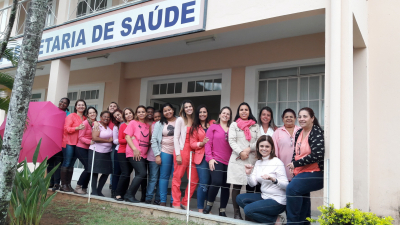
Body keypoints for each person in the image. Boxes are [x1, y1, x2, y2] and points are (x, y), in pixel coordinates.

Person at [236, 135, 288, 223]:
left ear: (271, 148)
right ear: (258, 148)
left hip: (277, 201)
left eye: (267, 146)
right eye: (261, 146)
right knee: (239, 198)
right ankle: (270, 217)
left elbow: (286, 185)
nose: (264, 149)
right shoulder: (258, 162)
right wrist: (248, 174)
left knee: (248, 210)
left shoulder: (277, 162)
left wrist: (273, 179)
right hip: (264, 196)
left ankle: (276, 221)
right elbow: (253, 184)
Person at [286, 107, 324, 224]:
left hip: (316, 172)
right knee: (302, 196)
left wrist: (295, 164)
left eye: (305, 116)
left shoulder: (316, 132)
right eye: (300, 116)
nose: (301, 119)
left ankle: (292, 222)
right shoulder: (299, 132)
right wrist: (294, 166)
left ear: (312, 118)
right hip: (301, 172)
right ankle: (304, 222)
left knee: (292, 189)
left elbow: (317, 155)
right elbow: (295, 152)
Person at [227, 102, 260, 220]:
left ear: (249, 111)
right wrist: (241, 152)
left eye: (246, 109)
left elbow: (259, 141)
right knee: (236, 186)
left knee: (251, 187)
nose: (244, 111)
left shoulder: (255, 126)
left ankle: (248, 213)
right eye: (241, 109)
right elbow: (231, 141)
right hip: (238, 159)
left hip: (252, 160)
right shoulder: (234, 125)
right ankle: (236, 213)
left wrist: (248, 148)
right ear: (238, 112)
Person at [203, 106, 233, 217]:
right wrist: (210, 158)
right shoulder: (213, 127)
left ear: (230, 117)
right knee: (216, 181)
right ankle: (209, 205)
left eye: (228, 114)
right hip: (216, 159)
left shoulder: (232, 128)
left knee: (226, 186)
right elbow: (208, 144)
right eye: (224, 113)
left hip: (229, 162)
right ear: (220, 114)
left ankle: (222, 210)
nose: (225, 115)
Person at [172, 100, 199, 210]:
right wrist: (178, 154)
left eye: (190, 106)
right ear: (183, 109)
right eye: (186, 107)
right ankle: (176, 203)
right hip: (182, 151)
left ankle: (185, 202)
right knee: (177, 178)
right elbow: (176, 138)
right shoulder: (180, 120)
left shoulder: (195, 120)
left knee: (194, 179)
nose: (189, 108)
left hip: (194, 152)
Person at [189, 105, 215, 212]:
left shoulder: (213, 124)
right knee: (204, 182)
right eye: (200, 112)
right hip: (201, 157)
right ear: (197, 114)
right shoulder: (195, 127)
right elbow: (192, 144)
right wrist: (202, 143)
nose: (202, 114)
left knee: (212, 183)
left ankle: (208, 207)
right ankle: (200, 208)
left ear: (207, 113)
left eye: (204, 112)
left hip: (214, 156)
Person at [151, 105, 177, 207]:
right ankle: (162, 201)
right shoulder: (159, 123)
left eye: (169, 110)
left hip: (177, 152)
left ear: (173, 110)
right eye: (165, 111)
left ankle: (173, 201)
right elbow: (153, 139)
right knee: (164, 177)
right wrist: (157, 155)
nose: (167, 112)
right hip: (164, 151)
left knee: (175, 177)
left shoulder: (180, 120)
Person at [124, 105, 150, 203]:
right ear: (136, 114)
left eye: (143, 112)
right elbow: (127, 137)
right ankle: (129, 194)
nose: (141, 113)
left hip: (143, 153)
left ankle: (131, 195)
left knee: (142, 174)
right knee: (142, 173)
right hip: (134, 152)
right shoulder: (133, 123)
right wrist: (134, 148)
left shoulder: (148, 125)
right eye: (139, 112)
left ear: (146, 113)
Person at [60, 99, 87, 192]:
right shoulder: (71, 116)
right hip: (69, 142)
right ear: (75, 107)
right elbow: (66, 128)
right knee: (67, 162)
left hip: (78, 144)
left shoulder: (85, 118)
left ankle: (68, 184)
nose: (81, 106)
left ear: (85, 107)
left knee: (72, 164)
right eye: (79, 105)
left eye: (83, 105)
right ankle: (63, 184)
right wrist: (77, 128)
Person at [88, 111, 113, 196]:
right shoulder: (98, 125)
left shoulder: (109, 127)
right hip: (96, 151)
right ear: (101, 117)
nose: (106, 118)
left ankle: (99, 191)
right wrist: (108, 141)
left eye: (108, 117)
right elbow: (94, 138)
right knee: (95, 171)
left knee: (106, 172)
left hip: (107, 152)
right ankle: (94, 191)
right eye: (104, 116)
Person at [48, 97, 70, 191]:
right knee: (49, 163)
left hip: (61, 142)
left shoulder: (68, 115)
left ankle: (57, 183)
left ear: (67, 105)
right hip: (50, 141)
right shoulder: (52, 111)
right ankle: (50, 182)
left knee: (58, 163)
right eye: (61, 101)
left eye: (65, 103)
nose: (62, 103)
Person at [272, 108, 300, 181]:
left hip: (299, 166)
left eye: (291, 117)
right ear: (282, 119)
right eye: (286, 117)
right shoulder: (277, 132)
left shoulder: (301, 130)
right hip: (282, 167)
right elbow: (274, 150)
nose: (289, 118)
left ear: (295, 118)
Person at [74, 107, 97, 194]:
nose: (92, 114)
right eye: (90, 113)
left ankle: (84, 188)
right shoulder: (85, 123)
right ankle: (78, 186)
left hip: (89, 149)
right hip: (81, 148)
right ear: (87, 115)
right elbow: (80, 137)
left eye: (93, 112)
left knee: (90, 168)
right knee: (88, 167)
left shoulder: (96, 123)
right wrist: (90, 141)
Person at [114, 108, 135, 201]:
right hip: (122, 152)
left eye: (130, 113)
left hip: (133, 152)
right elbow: (120, 140)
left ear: (133, 114)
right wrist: (130, 139)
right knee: (125, 173)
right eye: (126, 114)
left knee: (128, 173)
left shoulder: (136, 124)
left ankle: (124, 193)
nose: (128, 115)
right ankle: (118, 193)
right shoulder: (122, 126)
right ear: (124, 116)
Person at [145, 110, 162, 205]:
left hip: (164, 154)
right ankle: (148, 198)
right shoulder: (153, 126)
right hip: (153, 155)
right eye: (155, 117)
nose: (157, 118)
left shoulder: (165, 125)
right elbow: (151, 140)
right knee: (153, 177)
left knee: (161, 178)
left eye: (159, 116)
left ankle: (158, 198)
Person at [111, 109, 124, 198]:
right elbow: (115, 141)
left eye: (118, 114)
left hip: (129, 151)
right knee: (117, 172)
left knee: (125, 173)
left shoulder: (132, 123)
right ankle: (114, 191)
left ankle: (122, 191)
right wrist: (126, 140)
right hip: (118, 150)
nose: (118, 117)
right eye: (115, 116)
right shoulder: (116, 126)